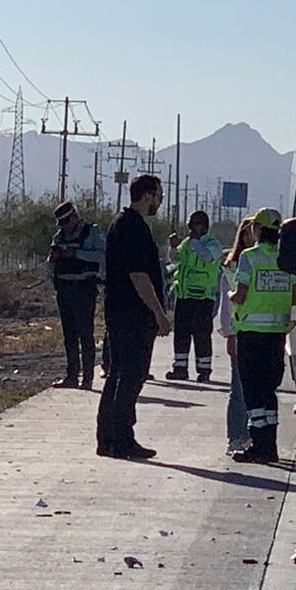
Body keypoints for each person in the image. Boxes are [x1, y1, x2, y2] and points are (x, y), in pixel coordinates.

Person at [96, 173, 171, 460]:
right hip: (132, 315)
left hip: (120, 313)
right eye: (159, 195)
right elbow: (139, 276)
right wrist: (159, 313)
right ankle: (122, 440)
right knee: (131, 376)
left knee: (118, 375)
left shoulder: (123, 223)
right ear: (148, 195)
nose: (161, 201)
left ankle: (108, 439)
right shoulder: (133, 227)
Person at [230, 208, 296, 464]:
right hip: (277, 334)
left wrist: (230, 297)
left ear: (257, 229)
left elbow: (242, 294)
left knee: (254, 393)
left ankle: (259, 446)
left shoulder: (249, 257)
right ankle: (270, 445)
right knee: (268, 391)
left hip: (252, 333)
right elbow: (294, 296)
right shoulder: (287, 259)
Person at [47, 201, 106, 390]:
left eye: (66, 221)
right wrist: (55, 256)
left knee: (85, 334)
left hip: (83, 288)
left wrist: (77, 253)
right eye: (61, 223)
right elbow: (51, 261)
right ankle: (71, 376)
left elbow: (105, 256)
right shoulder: (59, 236)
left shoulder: (92, 232)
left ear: (75, 216)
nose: (64, 226)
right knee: (69, 335)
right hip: (64, 288)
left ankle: (87, 378)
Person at [165, 210, 224, 382]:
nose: (192, 229)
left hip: (203, 298)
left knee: (202, 335)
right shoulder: (187, 243)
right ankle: (180, 368)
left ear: (204, 226)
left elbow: (207, 257)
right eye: (191, 225)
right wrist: (173, 247)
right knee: (181, 334)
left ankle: (204, 370)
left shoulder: (212, 244)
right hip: (183, 297)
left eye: (196, 225)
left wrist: (195, 242)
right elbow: (175, 261)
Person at [219, 217, 257, 455]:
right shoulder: (231, 268)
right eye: (246, 234)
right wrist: (230, 334)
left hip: (265, 332)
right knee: (239, 389)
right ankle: (236, 436)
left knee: (258, 390)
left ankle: (255, 437)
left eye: (254, 233)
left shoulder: (267, 262)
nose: (250, 238)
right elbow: (226, 304)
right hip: (241, 332)